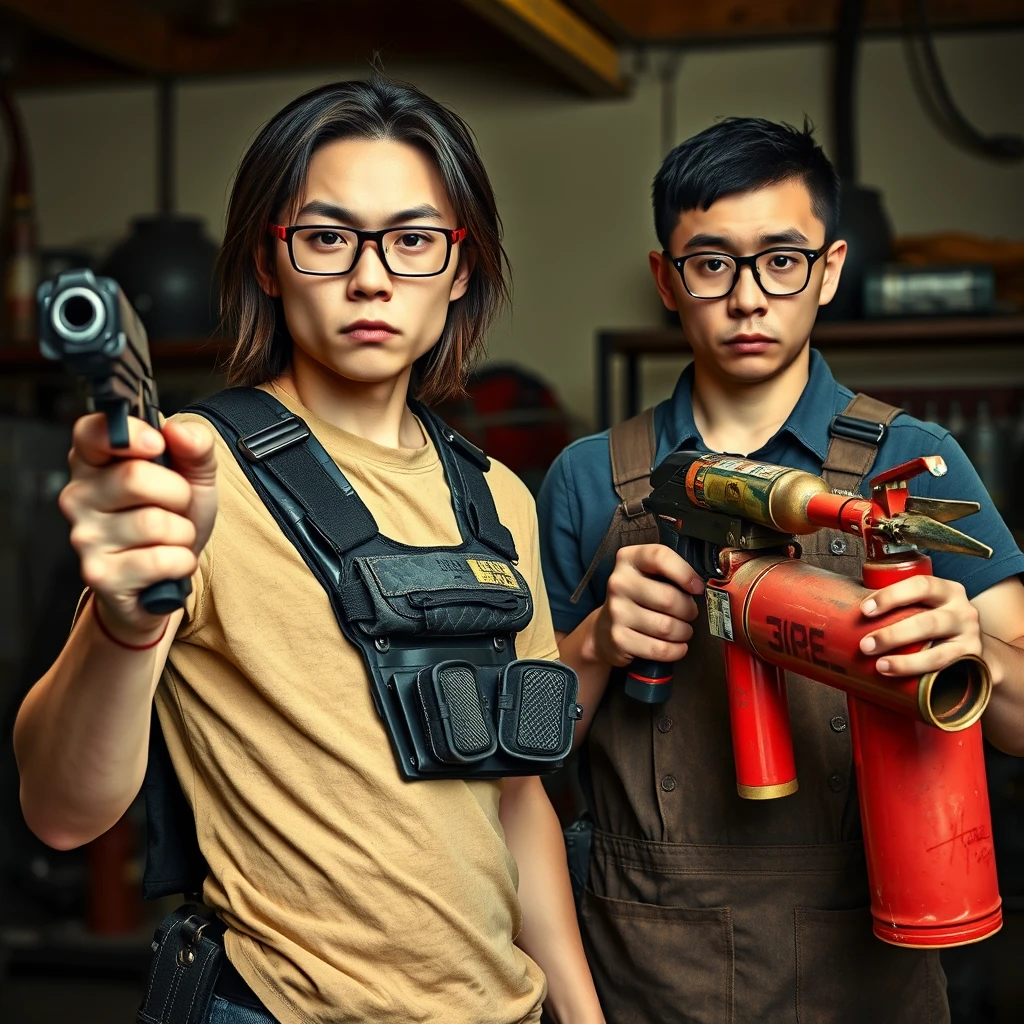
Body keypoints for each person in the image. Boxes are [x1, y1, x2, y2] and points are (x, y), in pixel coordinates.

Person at [14, 77, 605, 1024]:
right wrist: (126, 621)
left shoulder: (497, 499)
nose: (370, 277)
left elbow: (515, 792)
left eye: (412, 241)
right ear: (269, 261)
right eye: (328, 237)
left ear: (461, 268)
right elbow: (61, 810)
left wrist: (580, 1015)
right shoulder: (195, 478)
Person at [537, 117, 1024, 1023]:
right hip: (640, 976)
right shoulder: (586, 478)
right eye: (712, 263)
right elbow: (522, 756)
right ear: (666, 281)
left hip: (867, 973)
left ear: (830, 268)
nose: (749, 298)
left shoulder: (917, 462)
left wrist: (977, 655)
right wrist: (598, 641)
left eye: (783, 260)